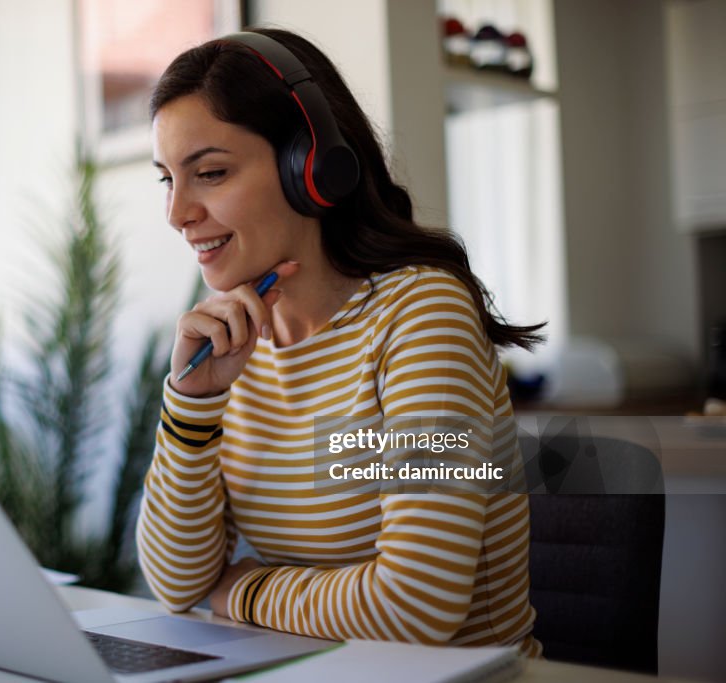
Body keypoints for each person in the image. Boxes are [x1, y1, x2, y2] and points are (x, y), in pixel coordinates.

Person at [135, 27, 544, 656]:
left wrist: (240, 592)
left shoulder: (421, 316)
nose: (177, 213)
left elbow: (415, 607)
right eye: (168, 179)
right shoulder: (230, 345)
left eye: (210, 173)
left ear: (312, 167)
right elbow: (175, 582)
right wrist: (192, 404)